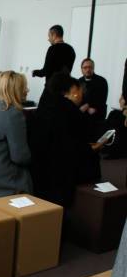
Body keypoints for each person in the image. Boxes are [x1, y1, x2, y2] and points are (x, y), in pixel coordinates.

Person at [31, 72, 103, 207]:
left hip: (40, 169)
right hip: (62, 171)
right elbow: (73, 144)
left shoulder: (43, 107)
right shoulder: (69, 110)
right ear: (72, 91)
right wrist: (91, 148)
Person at [0, 71, 32, 197]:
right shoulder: (12, 113)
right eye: (24, 87)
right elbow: (20, 157)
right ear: (15, 89)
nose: (27, 90)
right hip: (6, 183)